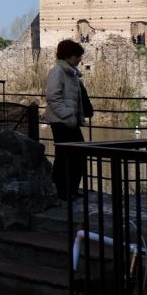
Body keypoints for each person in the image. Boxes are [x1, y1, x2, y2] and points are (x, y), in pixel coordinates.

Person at [46, 39, 91, 200]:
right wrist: (68, 115)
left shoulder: (71, 73)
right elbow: (53, 97)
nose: (79, 59)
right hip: (61, 121)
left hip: (69, 121)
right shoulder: (58, 71)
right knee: (65, 157)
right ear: (68, 56)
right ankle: (63, 192)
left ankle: (71, 189)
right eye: (77, 56)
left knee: (76, 156)